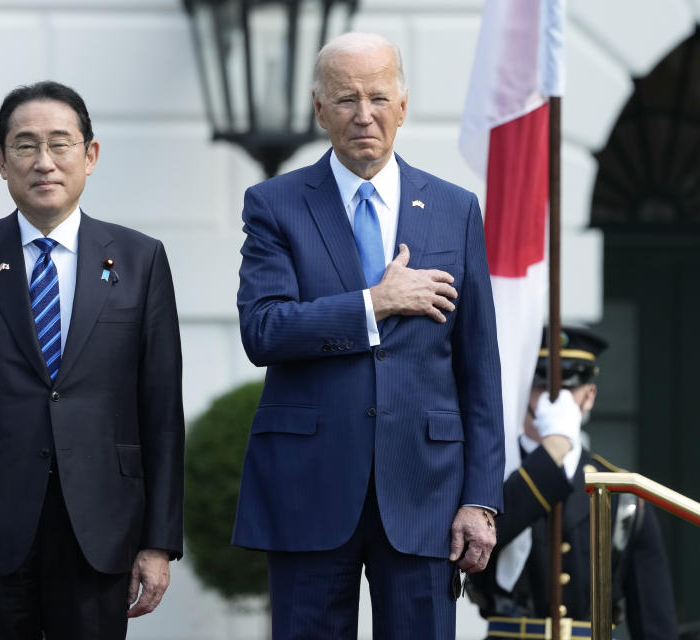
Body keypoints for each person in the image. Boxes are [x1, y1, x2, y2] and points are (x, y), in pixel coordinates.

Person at [233, 32, 505, 639]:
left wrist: (480, 498)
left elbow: (479, 369)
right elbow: (263, 330)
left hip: (425, 490)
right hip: (310, 484)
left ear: (403, 107)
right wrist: (374, 304)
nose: (364, 115)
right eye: (347, 98)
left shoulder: (455, 208)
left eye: (379, 97)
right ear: (318, 109)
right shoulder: (275, 204)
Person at [0, 81, 185, 640]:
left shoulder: (140, 259)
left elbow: (161, 410)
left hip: (101, 527)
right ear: (0, 162)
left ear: (90, 155)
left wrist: (159, 541)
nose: (44, 162)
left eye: (61, 143)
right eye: (25, 146)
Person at [466, 326, 679, 639]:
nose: (556, 399)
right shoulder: (489, 475)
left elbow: (654, 622)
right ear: (523, 389)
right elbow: (486, 533)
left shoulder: (624, 494)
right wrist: (553, 450)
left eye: (569, 388)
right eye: (543, 386)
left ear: (589, 395)